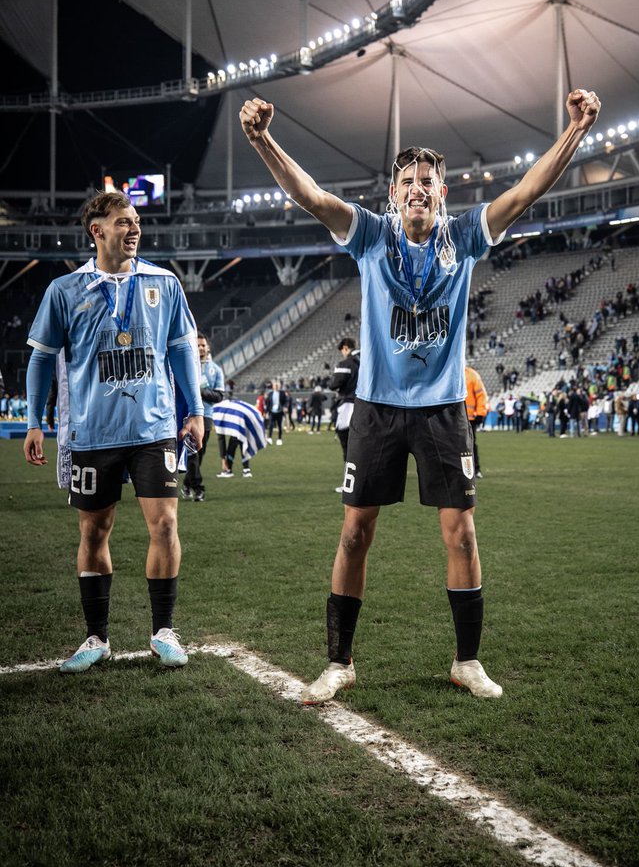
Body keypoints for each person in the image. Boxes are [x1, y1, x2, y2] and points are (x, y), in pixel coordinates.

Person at [239, 85, 600, 703]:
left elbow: (526, 191)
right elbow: (312, 196)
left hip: (441, 410)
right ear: (392, 193)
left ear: (442, 192)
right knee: (355, 534)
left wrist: (576, 130)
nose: (417, 187)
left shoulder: (463, 236)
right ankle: (339, 662)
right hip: (378, 409)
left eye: (427, 180)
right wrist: (262, 139)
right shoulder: (371, 236)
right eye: (407, 179)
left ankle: (467, 661)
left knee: (461, 534)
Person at [23, 190, 205, 673]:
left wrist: (195, 409)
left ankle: (163, 630)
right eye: (124, 222)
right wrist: (34, 422)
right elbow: (41, 357)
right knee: (94, 530)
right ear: (97, 230)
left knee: (165, 524)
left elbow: (183, 349)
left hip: (154, 427)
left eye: (137, 221)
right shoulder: (64, 291)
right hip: (92, 432)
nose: (134, 229)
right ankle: (96, 637)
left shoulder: (164, 284)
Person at [183, 331, 224, 500]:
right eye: (197, 345)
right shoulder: (186, 364)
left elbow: (219, 396)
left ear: (208, 347)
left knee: (199, 454)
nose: (200, 348)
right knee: (192, 454)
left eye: (203, 345)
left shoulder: (215, 370)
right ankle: (198, 488)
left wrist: (199, 392)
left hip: (206, 416)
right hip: (187, 414)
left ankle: (186, 484)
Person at [330, 336, 360, 473]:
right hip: (365, 406)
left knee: (347, 445)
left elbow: (334, 384)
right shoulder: (365, 360)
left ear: (345, 348)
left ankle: (349, 483)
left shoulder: (346, 364)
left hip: (348, 405)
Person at [464, 363, 488, 478]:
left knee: (471, 445)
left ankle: (475, 469)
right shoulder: (449, 372)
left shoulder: (472, 375)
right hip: (451, 418)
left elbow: (481, 395)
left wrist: (480, 413)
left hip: (469, 418)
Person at [265, 378, 289, 445]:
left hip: (279, 412)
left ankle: (279, 439)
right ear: (273, 386)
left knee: (279, 426)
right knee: (271, 425)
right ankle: (269, 438)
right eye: (275, 386)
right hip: (272, 412)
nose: (276, 387)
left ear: (279, 386)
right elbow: (268, 404)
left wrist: (285, 407)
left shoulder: (282, 393)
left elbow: (286, 401)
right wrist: (266, 412)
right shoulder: (270, 394)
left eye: (277, 386)